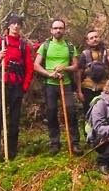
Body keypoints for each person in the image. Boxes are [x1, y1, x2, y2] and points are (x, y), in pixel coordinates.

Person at [0, 13, 34, 161]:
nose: (16, 26)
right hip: (1, 85)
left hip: (17, 86)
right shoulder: (0, 42)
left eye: (19, 24)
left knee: (15, 122)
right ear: (9, 25)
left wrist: (24, 87)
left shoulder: (23, 45)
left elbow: (29, 69)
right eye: (14, 23)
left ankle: (11, 154)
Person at [34, 18, 82, 155]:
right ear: (51, 30)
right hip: (50, 85)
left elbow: (76, 66)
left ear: (64, 30)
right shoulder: (45, 46)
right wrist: (49, 74)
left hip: (66, 84)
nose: (58, 30)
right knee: (51, 112)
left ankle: (75, 143)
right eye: (55, 28)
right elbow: (36, 65)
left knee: (71, 112)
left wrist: (65, 68)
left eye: (60, 28)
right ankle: (55, 143)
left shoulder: (70, 46)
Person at [78, 30, 109, 116]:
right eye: (91, 38)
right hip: (88, 88)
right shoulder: (84, 54)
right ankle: (88, 129)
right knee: (89, 113)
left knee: (105, 114)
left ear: (99, 38)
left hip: (104, 88)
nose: (94, 39)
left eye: (96, 37)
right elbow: (79, 73)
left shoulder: (108, 52)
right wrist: (79, 91)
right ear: (88, 41)